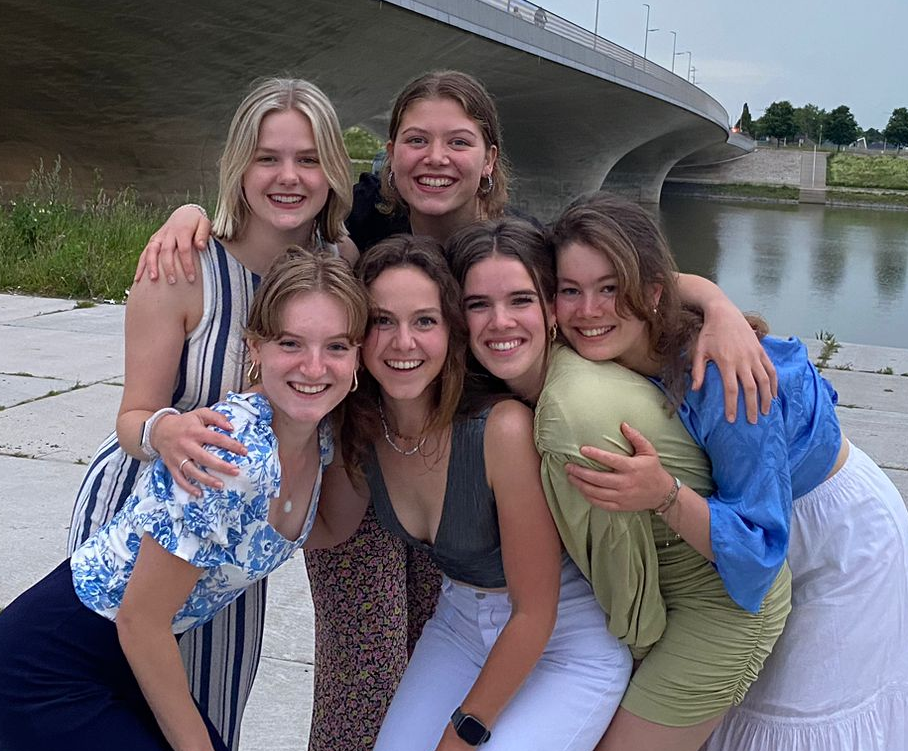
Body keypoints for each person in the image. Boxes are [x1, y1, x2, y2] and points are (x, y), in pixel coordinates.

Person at [132, 70, 776, 749]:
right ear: (389, 153)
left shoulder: (516, 246)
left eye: (458, 141)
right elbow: (277, 225)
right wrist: (194, 217)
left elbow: (610, 282)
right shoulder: (362, 229)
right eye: (417, 140)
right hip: (377, 457)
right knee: (363, 672)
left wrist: (715, 303)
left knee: (456, 647)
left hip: (478, 492)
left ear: (490, 157)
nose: (435, 157)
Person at [550, 192, 908, 751]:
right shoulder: (625, 337)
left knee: (803, 714)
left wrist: (664, 494)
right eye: (570, 290)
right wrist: (716, 300)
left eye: (610, 289)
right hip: (761, 506)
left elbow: (760, 549)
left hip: (837, 534)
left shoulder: (718, 376)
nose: (589, 310)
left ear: (652, 293)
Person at [67, 77, 357, 750]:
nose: (288, 177)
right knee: (117, 713)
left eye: (308, 159)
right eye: (267, 157)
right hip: (141, 522)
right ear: (239, 166)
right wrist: (165, 430)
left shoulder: (340, 265)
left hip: (236, 547)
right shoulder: (183, 266)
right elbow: (131, 418)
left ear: (334, 171)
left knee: (209, 713)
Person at [0, 248, 369, 751]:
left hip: (125, 664)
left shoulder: (319, 439)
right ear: (256, 348)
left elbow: (325, 529)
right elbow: (140, 621)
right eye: (291, 342)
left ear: (357, 357)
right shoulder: (231, 457)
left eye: (336, 347)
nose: (314, 366)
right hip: (44, 671)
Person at [446, 218, 793, 751]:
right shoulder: (569, 369)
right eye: (477, 305)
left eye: (520, 300)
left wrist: (626, 668)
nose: (500, 321)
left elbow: (629, 595)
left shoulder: (565, 419)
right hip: (695, 587)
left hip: (725, 609)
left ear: (545, 310)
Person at [316, 234, 632, 749]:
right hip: (459, 626)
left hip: (563, 642)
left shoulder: (500, 430)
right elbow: (326, 526)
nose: (403, 343)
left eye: (425, 321)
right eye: (382, 321)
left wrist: (462, 734)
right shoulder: (366, 431)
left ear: (452, 331)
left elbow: (535, 614)